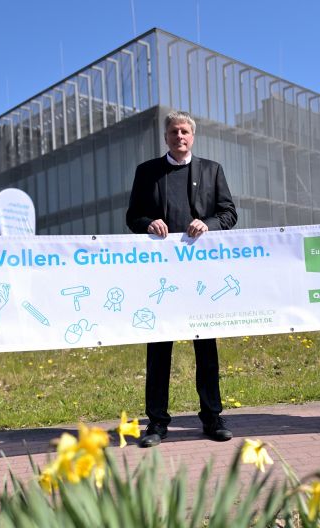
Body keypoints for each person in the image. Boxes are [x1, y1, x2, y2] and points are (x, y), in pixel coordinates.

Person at [126, 110, 238, 447]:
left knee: (206, 348)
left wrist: (209, 224)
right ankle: (157, 423)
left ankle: (212, 417)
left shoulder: (211, 170)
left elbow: (229, 214)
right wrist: (148, 223)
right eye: (174, 131)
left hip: (202, 276)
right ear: (166, 137)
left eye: (185, 131)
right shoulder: (147, 172)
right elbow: (133, 216)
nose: (180, 136)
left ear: (193, 136)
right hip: (161, 277)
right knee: (159, 349)